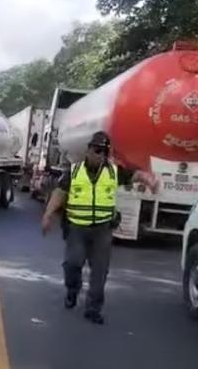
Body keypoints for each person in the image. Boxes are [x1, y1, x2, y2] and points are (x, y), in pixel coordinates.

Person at [41, 131, 157, 325]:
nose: (99, 155)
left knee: (100, 271)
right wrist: (48, 214)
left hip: (102, 229)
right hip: (77, 227)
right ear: (88, 151)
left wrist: (149, 180)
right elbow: (59, 193)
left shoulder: (113, 171)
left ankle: (93, 308)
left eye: (103, 152)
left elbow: (135, 175)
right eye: (96, 151)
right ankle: (72, 289)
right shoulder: (74, 171)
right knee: (72, 263)